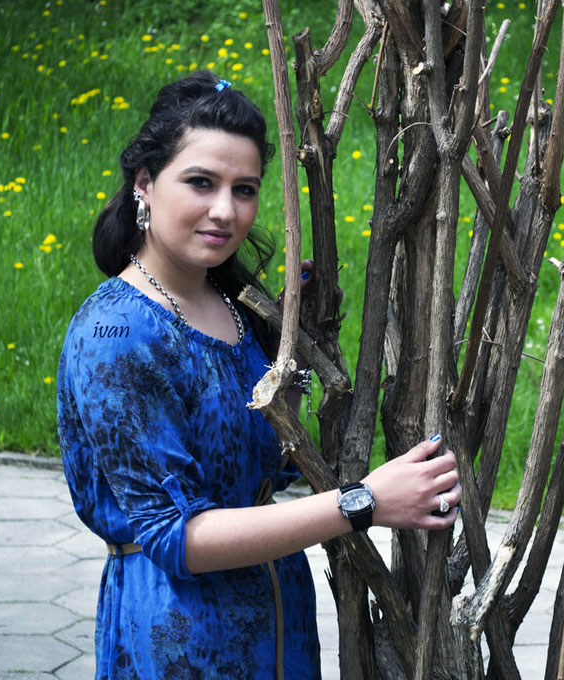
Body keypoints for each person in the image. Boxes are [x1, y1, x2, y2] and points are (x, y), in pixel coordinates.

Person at [56, 70, 461, 679]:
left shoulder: (234, 306)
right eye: (200, 182)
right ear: (145, 183)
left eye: (243, 189)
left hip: (280, 623)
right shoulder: (116, 334)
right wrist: (363, 503)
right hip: (181, 640)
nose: (225, 210)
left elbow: (264, 467)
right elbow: (176, 537)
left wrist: (290, 332)